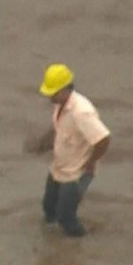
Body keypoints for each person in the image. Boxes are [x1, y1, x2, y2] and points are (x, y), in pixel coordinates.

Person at [27, 63, 110, 237]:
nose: (50, 97)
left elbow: (103, 139)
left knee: (66, 216)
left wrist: (90, 163)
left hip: (76, 173)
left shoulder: (82, 112)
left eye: (53, 93)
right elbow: (59, 128)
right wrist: (42, 144)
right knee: (49, 208)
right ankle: (51, 241)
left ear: (65, 89)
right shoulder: (60, 105)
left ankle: (78, 245)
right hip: (58, 167)